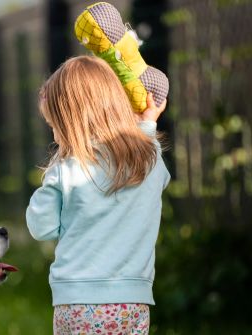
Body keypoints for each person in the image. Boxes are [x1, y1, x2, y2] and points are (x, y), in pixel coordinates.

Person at [26, 55, 169, 335]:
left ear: (73, 123)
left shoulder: (67, 170)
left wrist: (51, 178)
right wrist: (147, 126)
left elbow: (40, 228)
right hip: (133, 302)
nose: (55, 137)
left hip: (79, 302)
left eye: (56, 125)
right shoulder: (148, 159)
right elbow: (155, 174)